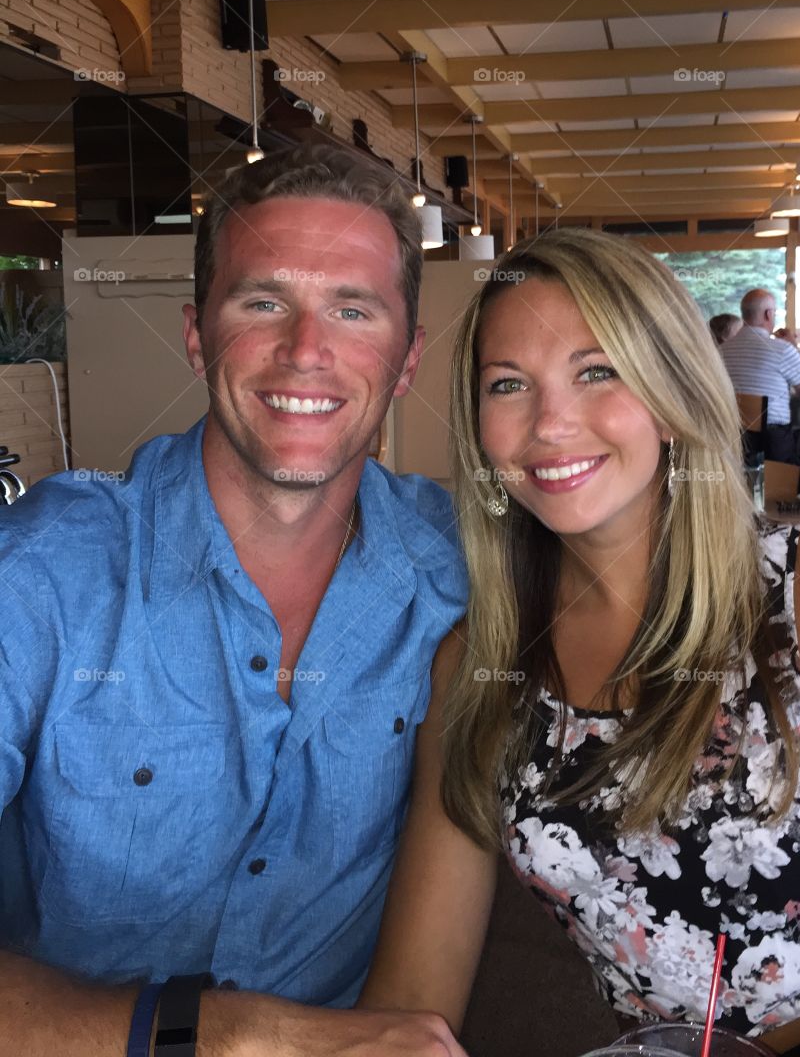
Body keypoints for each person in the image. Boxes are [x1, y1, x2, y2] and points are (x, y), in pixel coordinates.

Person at [360, 229, 800, 1056]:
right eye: (508, 385)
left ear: (674, 396)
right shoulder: (478, 666)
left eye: (597, 371)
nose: (550, 423)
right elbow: (412, 1002)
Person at [0, 144, 469, 1057]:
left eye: (352, 309)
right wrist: (210, 1035)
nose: (306, 351)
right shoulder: (45, 573)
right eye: (264, 302)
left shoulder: (457, 565)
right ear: (195, 334)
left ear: (406, 361)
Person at [718, 288, 800, 466]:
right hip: (776, 446)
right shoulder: (782, 349)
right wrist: (795, 347)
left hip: (734, 442)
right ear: (768, 315)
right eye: (774, 313)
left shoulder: (722, 350)